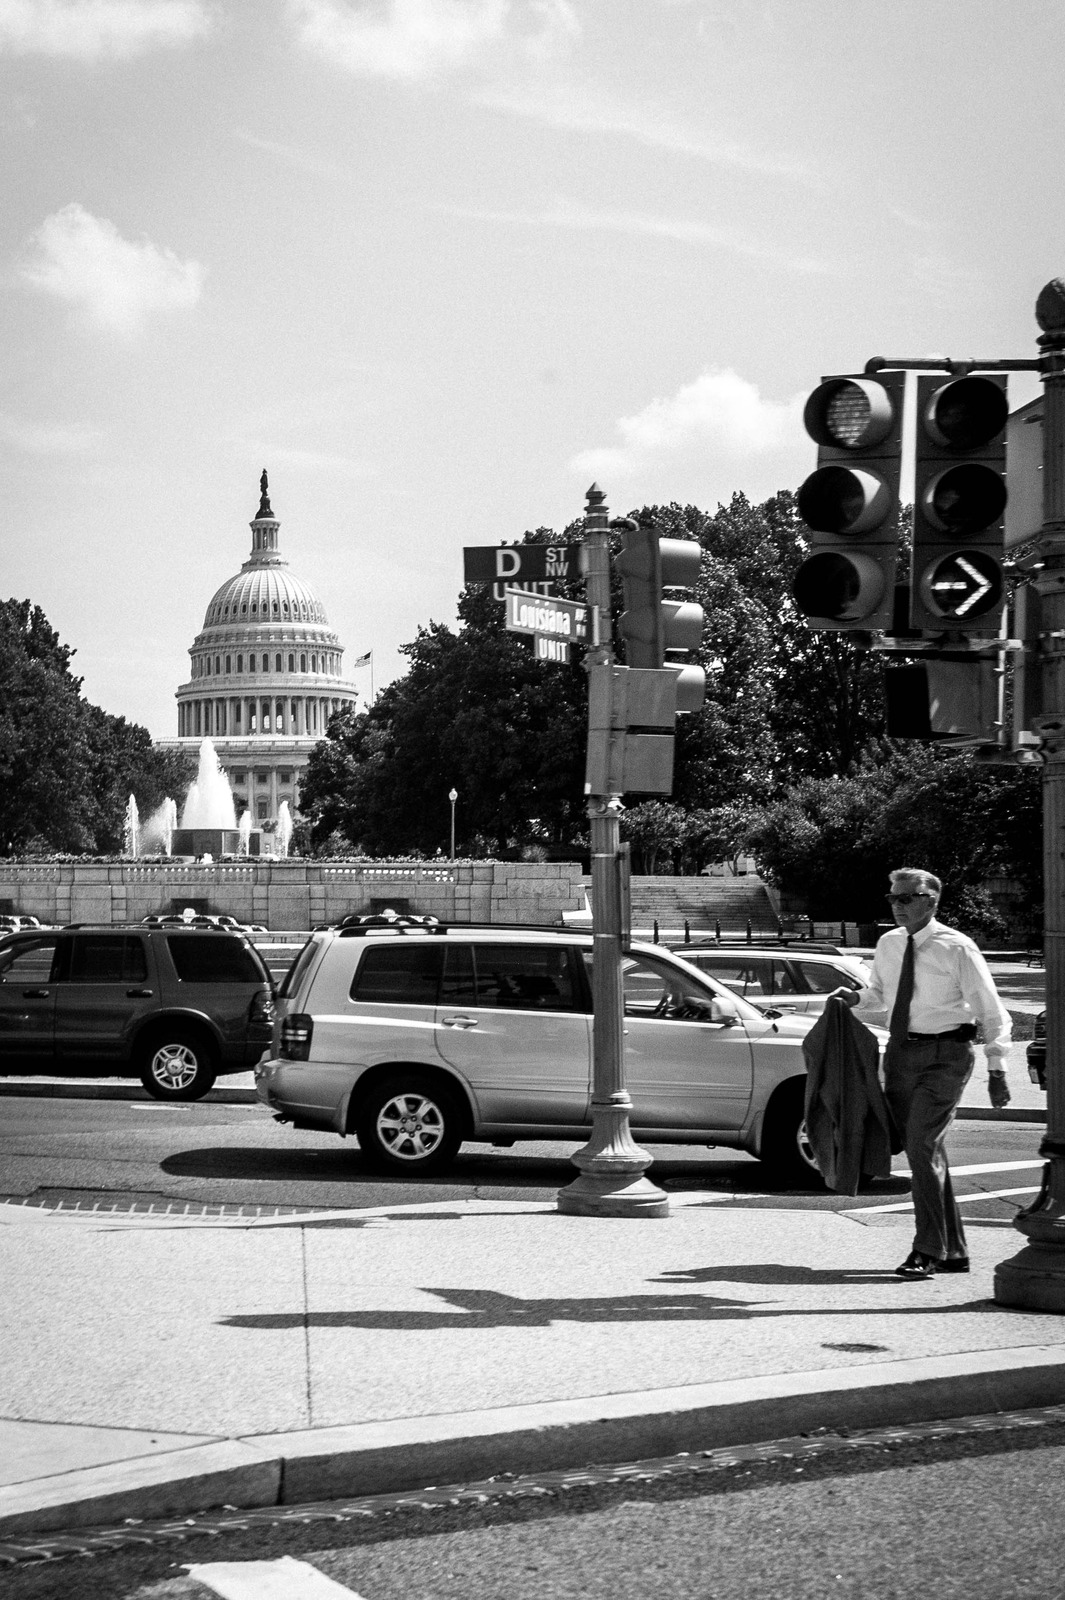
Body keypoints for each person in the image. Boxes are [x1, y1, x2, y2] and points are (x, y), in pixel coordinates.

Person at [836, 868, 1012, 1280]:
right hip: (900, 1053)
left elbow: (991, 1011)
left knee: (920, 1145)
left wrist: (997, 1066)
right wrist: (856, 997)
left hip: (945, 1055)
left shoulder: (958, 948)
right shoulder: (889, 943)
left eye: (906, 898)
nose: (897, 906)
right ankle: (954, 1251)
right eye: (892, 897)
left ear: (931, 901)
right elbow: (882, 995)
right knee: (926, 1151)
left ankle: (926, 1249)